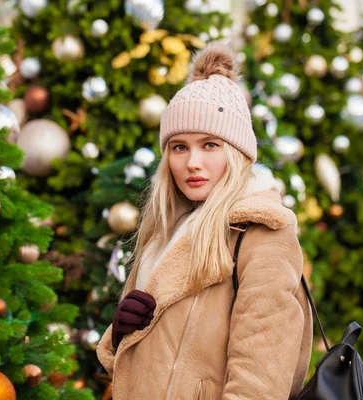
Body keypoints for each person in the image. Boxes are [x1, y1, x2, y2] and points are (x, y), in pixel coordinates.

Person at [96, 41, 313, 400]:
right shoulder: (165, 232)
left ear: (236, 151)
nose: (192, 162)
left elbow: (260, 381)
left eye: (210, 144)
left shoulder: (262, 234)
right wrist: (121, 336)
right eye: (179, 147)